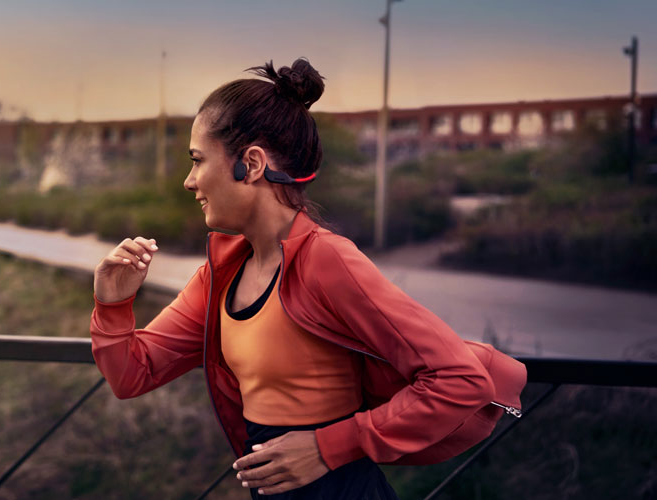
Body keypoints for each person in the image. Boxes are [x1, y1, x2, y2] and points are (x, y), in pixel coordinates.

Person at [90, 58, 502, 499]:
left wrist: (328, 448)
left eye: (197, 160)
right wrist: (113, 305)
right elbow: (132, 375)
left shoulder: (327, 260)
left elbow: (462, 380)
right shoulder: (219, 276)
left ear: (249, 164)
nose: (189, 181)